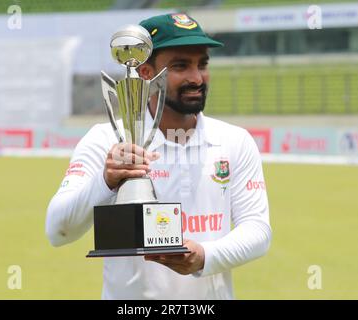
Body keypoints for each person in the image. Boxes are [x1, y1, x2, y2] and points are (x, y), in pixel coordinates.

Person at [46, 13, 272, 300]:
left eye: (202, 64)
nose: (196, 77)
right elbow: (57, 231)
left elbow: (257, 230)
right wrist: (105, 182)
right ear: (144, 73)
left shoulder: (234, 141)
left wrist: (205, 255)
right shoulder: (105, 140)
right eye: (180, 66)